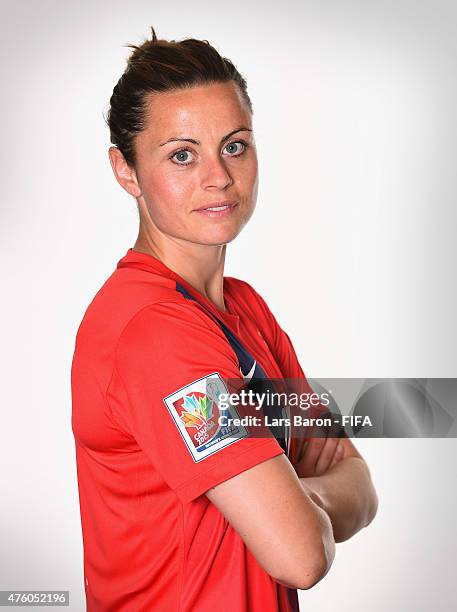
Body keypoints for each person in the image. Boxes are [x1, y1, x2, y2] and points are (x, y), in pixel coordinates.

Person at [71, 26, 378, 612]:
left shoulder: (245, 310)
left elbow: (355, 479)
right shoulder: (156, 333)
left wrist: (292, 498)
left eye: (234, 145)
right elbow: (300, 554)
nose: (218, 176)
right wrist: (291, 509)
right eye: (181, 154)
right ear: (125, 170)